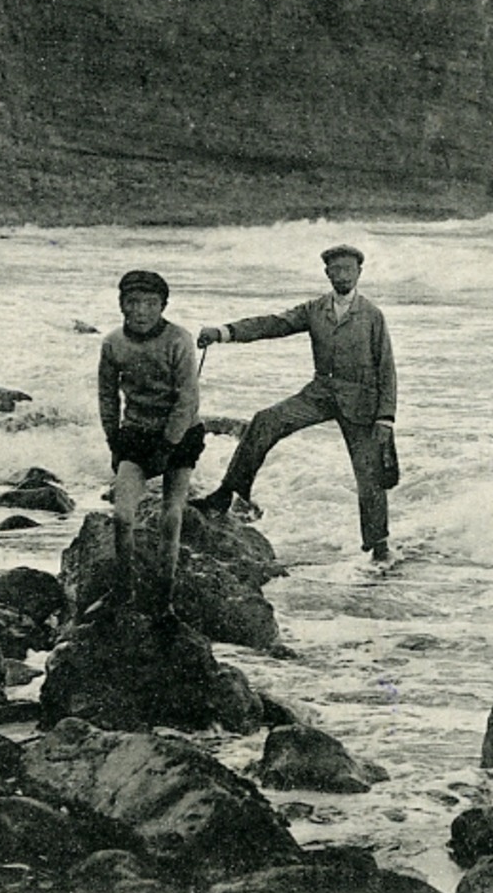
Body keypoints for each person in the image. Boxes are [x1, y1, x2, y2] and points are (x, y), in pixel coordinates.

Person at [194, 244, 398, 563]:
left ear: (360, 273)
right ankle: (227, 494)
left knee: (369, 476)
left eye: (348, 269)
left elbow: (386, 367)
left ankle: (379, 548)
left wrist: (386, 418)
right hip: (320, 392)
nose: (342, 275)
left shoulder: (372, 315)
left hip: (362, 402)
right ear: (327, 273)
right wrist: (223, 332)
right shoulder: (315, 309)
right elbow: (273, 324)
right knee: (265, 420)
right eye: (336, 269)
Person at [97, 269, 204, 620]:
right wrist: (113, 438)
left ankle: (164, 596)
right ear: (121, 305)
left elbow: (188, 398)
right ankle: (122, 590)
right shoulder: (114, 343)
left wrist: (169, 444)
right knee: (122, 516)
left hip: (180, 434)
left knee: (171, 517)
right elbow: (107, 395)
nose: (141, 311)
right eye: (133, 303)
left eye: (150, 304)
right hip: (136, 434)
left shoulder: (179, 340)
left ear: (163, 306)